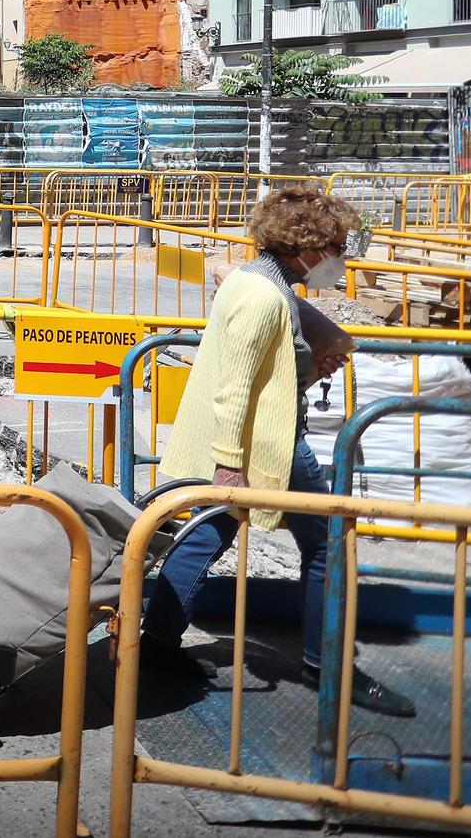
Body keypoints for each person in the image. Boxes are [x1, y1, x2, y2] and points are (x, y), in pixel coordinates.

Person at [140, 188, 413, 716]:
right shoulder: (266, 297)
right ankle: (327, 665)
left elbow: (266, 369)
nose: (339, 259)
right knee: (328, 544)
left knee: (207, 535)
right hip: (266, 445)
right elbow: (237, 386)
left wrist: (309, 360)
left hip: (254, 440)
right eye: (334, 247)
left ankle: (155, 645)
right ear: (305, 247)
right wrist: (228, 465)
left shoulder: (254, 280)